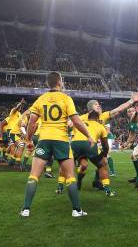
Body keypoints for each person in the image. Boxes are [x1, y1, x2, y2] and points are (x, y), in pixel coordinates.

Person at [20, 72, 95, 218]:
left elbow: (32, 122)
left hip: (44, 139)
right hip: (61, 140)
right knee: (70, 176)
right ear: (59, 82)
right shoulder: (66, 98)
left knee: (34, 176)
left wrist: (29, 140)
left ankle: (25, 210)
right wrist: (89, 136)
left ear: (48, 83)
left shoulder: (41, 99)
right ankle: (77, 210)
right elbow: (77, 121)